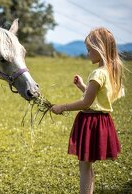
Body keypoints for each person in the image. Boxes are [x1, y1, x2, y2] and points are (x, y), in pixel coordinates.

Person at [51, 27, 125, 194]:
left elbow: (86, 103)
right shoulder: (110, 72)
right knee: (88, 166)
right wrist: (82, 86)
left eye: (90, 50)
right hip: (103, 121)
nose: (87, 54)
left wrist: (62, 107)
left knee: (84, 167)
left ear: (100, 49)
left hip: (90, 123)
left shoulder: (98, 73)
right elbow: (98, 98)